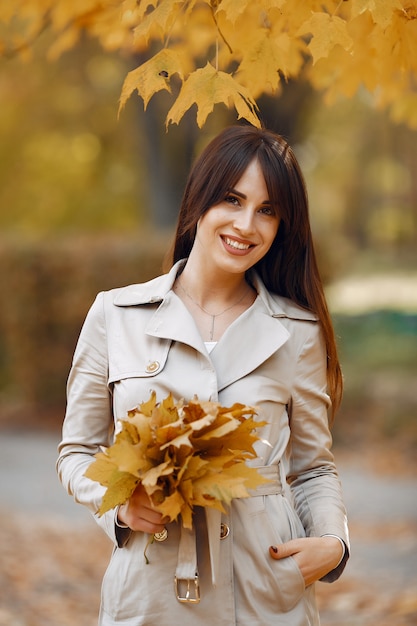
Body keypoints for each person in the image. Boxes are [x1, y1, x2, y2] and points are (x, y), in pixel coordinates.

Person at [57, 124, 349, 626]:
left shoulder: (297, 331)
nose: (246, 225)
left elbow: (313, 468)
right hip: (149, 594)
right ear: (199, 202)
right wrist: (120, 509)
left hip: (264, 593)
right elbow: (77, 452)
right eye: (232, 200)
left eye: (267, 210)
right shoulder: (116, 315)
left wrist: (335, 542)